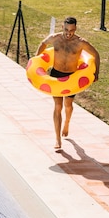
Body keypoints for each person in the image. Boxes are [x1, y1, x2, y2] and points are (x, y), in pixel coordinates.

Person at [35, 16, 100, 149]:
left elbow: (95, 55)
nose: (68, 33)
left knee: (68, 106)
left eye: (71, 30)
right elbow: (43, 43)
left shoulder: (80, 42)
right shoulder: (55, 38)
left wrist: (96, 73)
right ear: (62, 27)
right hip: (56, 75)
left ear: (75, 29)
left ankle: (67, 123)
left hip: (71, 77)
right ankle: (57, 139)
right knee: (58, 106)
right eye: (66, 29)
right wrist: (36, 61)